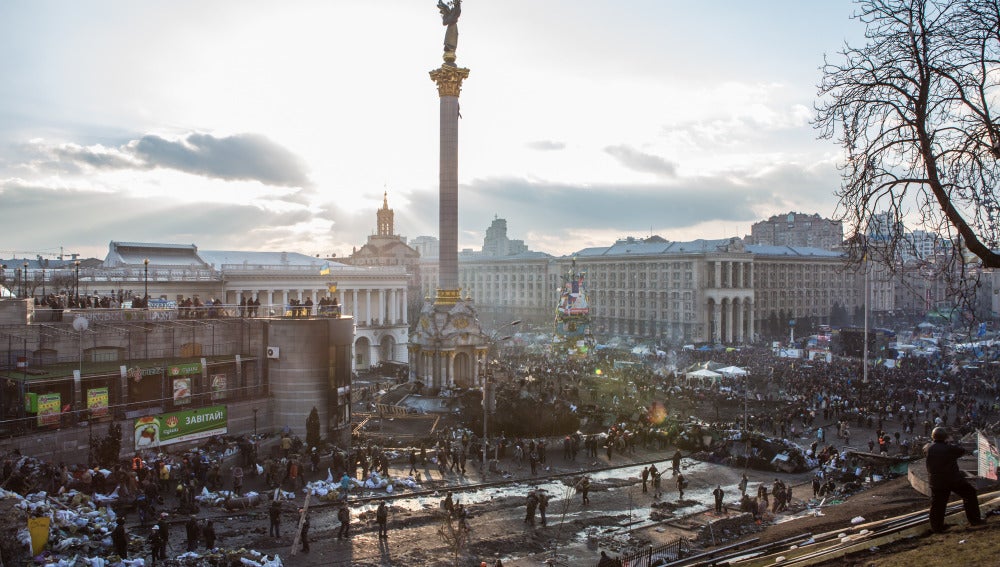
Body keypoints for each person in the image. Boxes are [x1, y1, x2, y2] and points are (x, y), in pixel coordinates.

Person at [924, 426, 984, 532]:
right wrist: (950, 442)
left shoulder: (928, 448)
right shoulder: (949, 448)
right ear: (945, 437)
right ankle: (974, 520)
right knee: (969, 494)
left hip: (936, 481)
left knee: (937, 504)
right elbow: (961, 451)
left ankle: (937, 527)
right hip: (952, 479)